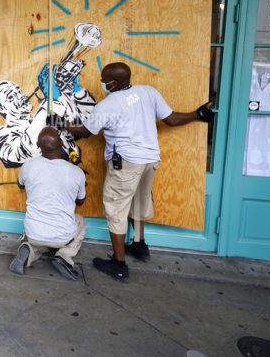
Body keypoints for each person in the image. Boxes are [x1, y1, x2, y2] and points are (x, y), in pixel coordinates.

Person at [65, 62, 212, 281]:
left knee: (116, 209)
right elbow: (171, 119)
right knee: (140, 201)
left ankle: (119, 264)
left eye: (104, 80)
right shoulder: (148, 92)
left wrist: (63, 125)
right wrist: (197, 114)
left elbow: (86, 132)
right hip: (150, 160)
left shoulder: (107, 105)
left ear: (113, 83)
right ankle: (139, 246)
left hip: (125, 163)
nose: (102, 83)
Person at [9, 127, 87, 281]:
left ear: (38, 145)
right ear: (61, 143)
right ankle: (64, 256)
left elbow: (21, 186)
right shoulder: (76, 172)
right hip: (62, 235)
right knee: (81, 221)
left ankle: (28, 250)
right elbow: (80, 201)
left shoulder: (27, 166)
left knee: (40, 241)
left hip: (33, 232)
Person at [0, 63, 96, 168]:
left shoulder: (48, 118)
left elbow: (87, 126)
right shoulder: (0, 137)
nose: (20, 96)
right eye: (11, 97)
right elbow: (28, 149)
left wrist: (77, 92)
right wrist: (50, 102)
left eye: (19, 91)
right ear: (2, 108)